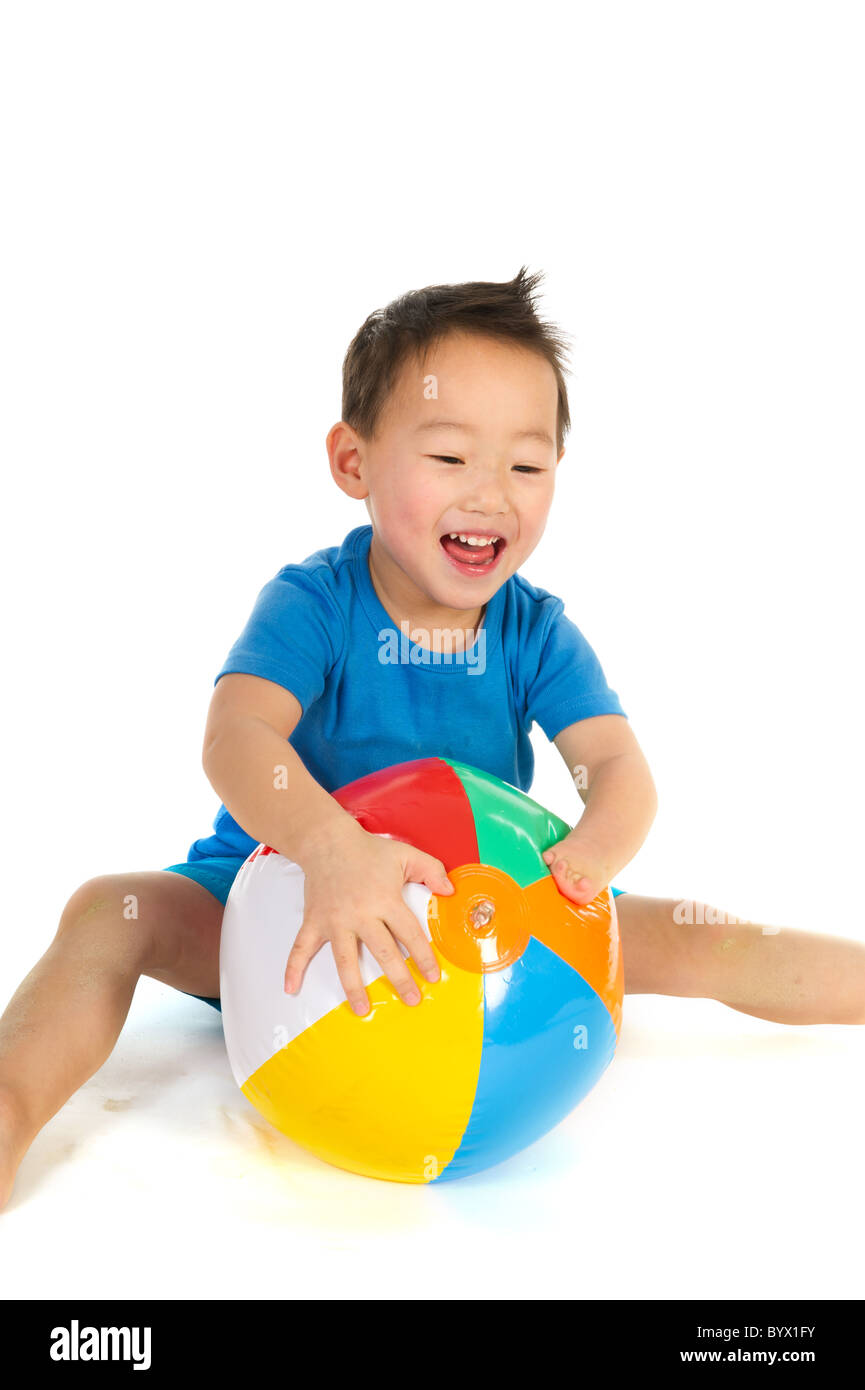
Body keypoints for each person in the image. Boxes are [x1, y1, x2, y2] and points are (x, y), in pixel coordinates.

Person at [1, 267, 863, 1212]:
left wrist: (585, 861)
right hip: (273, 907)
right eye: (451, 459)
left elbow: (616, 768)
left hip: (485, 914)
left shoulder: (533, 629)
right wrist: (331, 849)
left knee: (707, 936)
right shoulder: (315, 603)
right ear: (353, 462)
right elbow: (236, 736)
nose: (492, 495)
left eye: (526, 467)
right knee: (108, 910)